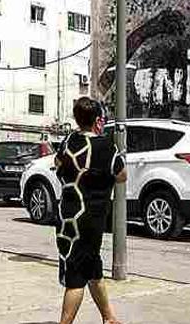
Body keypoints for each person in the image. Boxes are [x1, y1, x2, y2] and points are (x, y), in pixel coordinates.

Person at [54, 97, 126, 324]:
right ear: (97, 120)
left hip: (67, 216)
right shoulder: (105, 147)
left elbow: (57, 164)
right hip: (89, 219)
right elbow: (122, 175)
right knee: (76, 277)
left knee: (92, 267)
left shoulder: (68, 141)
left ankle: (109, 318)